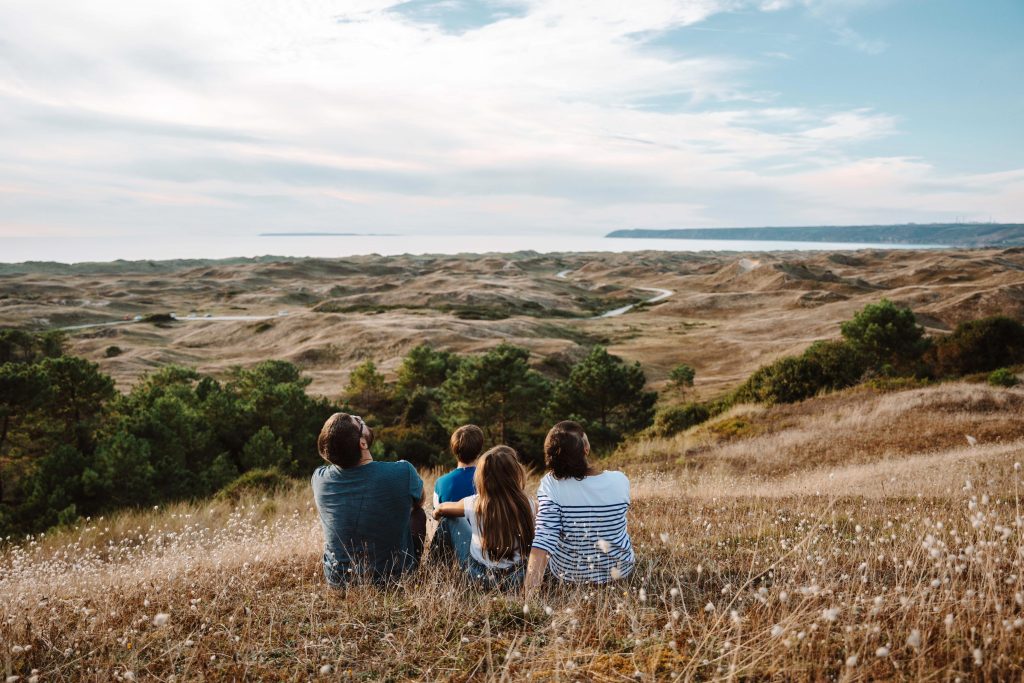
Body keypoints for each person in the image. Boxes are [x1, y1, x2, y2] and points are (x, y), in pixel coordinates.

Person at [311, 412, 427, 585]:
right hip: (394, 579)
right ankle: (409, 568)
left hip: (339, 580)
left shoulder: (319, 478)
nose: (359, 418)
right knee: (418, 513)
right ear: (362, 443)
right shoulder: (403, 471)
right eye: (358, 421)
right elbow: (419, 501)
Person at [524, 421, 634, 596]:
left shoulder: (551, 485)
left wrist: (528, 598)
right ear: (586, 449)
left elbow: (543, 541)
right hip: (620, 574)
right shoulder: (620, 480)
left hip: (569, 577)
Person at [432, 445, 535, 588]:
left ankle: (434, 573)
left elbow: (442, 508)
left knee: (448, 519)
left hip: (478, 576)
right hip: (517, 578)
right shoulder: (529, 504)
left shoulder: (475, 502)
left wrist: (436, 513)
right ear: (515, 473)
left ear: (482, 477)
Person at [429, 425, 485, 562]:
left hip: (454, 552)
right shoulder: (489, 480)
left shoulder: (441, 483)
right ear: (479, 450)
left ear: (454, 450)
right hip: (485, 550)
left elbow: (438, 520)